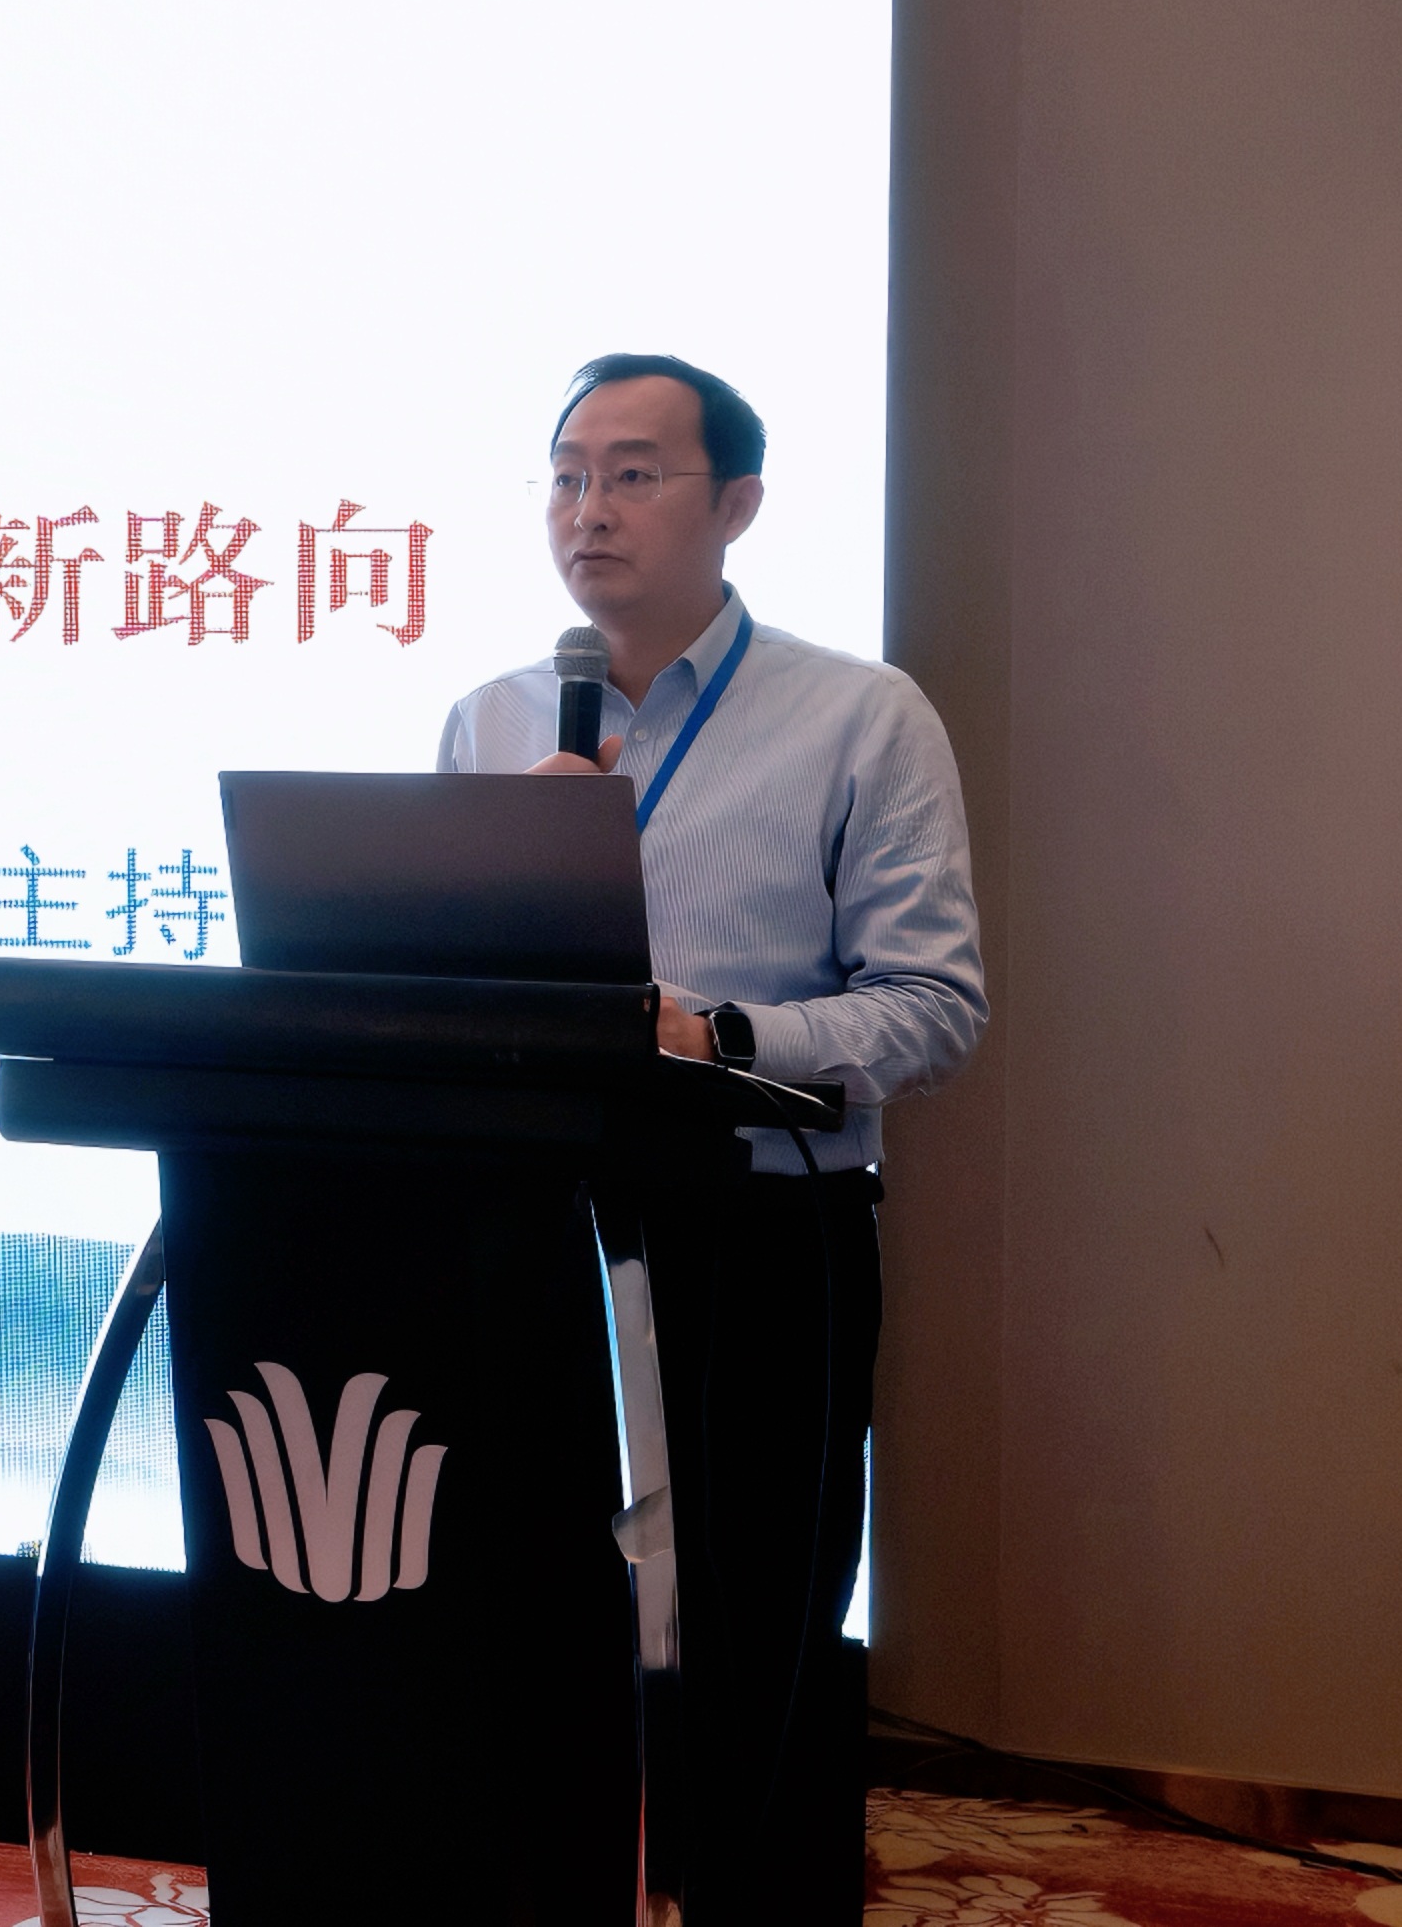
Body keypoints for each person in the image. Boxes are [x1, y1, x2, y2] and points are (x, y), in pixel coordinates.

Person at [439, 351, 985, 1923]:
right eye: (566, 475)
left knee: (750, 1631)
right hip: (532, 1240)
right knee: (529, 1617)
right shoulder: (491, 719)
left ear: (736, 503)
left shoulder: (859, 718)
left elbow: (935, 1005)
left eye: (633, 473)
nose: (587, 509)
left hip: (759, 1236)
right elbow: (431, 975)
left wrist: (722, 1036)